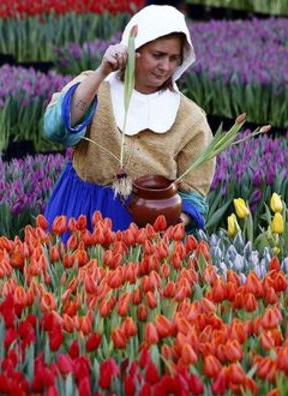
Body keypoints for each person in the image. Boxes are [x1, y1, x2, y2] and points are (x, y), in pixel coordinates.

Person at [41, 5, 214, 235]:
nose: (165, 67)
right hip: (80, 213)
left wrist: (173, 223)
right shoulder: (97, 87)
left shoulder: (190, 118)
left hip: (144, 226)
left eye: (174, 58)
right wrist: (102, 71)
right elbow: (55, 130)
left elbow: (194, 193)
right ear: (134, 50)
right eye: (157, 55)